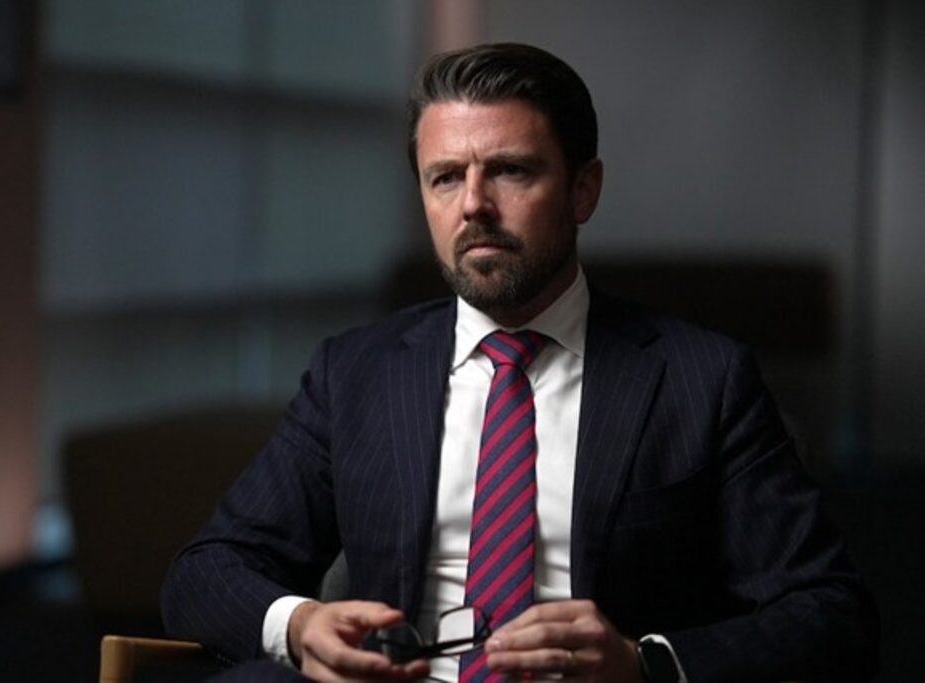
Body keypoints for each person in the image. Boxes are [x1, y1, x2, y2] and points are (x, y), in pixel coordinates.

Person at [161, 43, 878, 682]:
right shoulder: (354, 372)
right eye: (445, 178)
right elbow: (206, 572)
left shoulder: (704, 380)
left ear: (583, 189)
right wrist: (300, 626)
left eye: (508, 171)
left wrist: (643, 662)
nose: (473, 205)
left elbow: (831, 610)